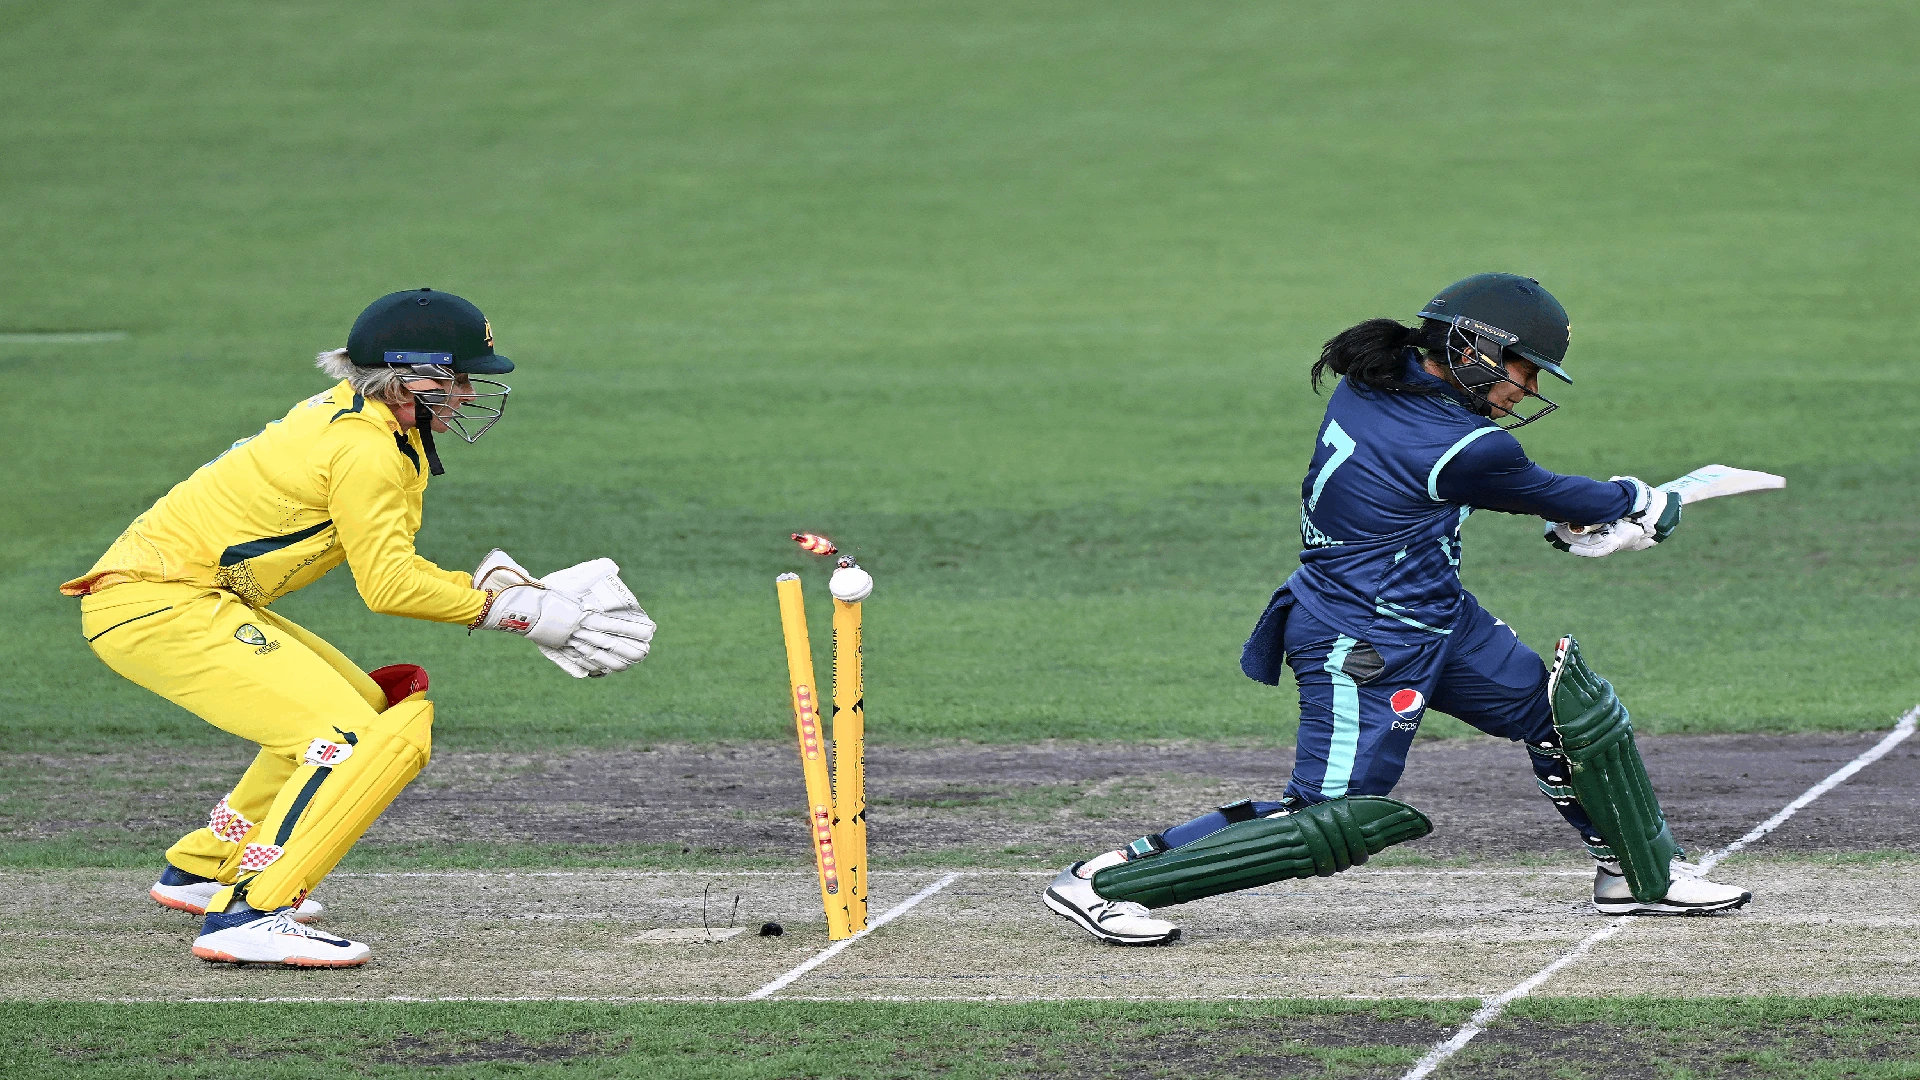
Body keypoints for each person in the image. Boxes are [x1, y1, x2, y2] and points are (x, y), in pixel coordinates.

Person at [1044, 273, 1751, 946]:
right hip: (1361, 638)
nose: (1525, 388)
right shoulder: (1459, 444)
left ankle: (1639, 873)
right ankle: (1104, 880)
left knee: (1565, 718)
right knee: (1329, 818)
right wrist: (1638, 502)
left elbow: (1490, 490)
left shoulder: (1375, 383)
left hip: (1437, 616)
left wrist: (1578, 519)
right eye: (1522, 368)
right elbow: (1543, 488)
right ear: (1470, 350)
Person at [62, 288, 655, 967]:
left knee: (367, 709)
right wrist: (514, 612)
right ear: (409, 377)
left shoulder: (373, 427)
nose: (466, 392)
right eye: (456, 376)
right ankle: (253, 912)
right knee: (348, 737)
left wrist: (479, 591)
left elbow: (392, 564)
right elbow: (389, 585)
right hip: (160, 606)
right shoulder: (366, 450)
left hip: (183, 598)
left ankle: (206, 869)